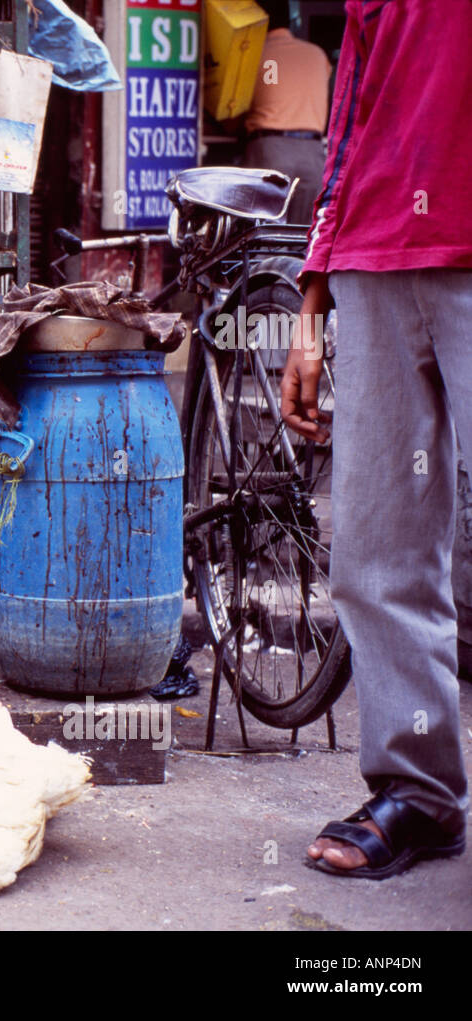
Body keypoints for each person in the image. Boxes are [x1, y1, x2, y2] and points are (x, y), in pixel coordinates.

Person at [280, 0, 472, 879]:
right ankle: (420, 791)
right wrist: (312, 299)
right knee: (377, 548)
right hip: (377, 253)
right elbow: (353, 111)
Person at [240, 0, 330, 225]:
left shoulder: (255, 55)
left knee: (263, 233)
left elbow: (237, 110)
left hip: (270, 151)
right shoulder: (317, 54)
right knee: (303, 235)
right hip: (313, 154)